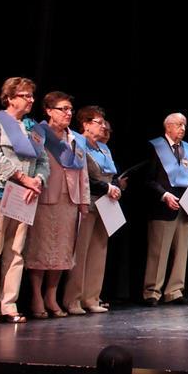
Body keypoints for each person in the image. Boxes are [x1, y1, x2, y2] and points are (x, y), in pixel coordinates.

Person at [0, 76, 47, 324]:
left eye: (31, 95)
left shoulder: (33, 128)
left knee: (16, 251)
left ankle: (9, 305)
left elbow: (43, 161)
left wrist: (38, 180)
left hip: (25, 195)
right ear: (9, 97)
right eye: (25, 95)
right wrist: (21, 178)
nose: (31, 100)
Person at [25, 91, 90, 318]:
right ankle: (36, 296)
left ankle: (51, 296)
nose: (68, 113)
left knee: (63, 251)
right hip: (45, 196)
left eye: (70, 109)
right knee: (40, 249)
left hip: (69, 200)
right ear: (49, 111)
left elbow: (82, 172)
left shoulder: (76, 139)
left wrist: (84, 200)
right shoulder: (39, 133)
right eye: (63, 109)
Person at [63, 106, 122, 314]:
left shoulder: (104, 147)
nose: (103, 126)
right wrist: (106, 187)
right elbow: (83, 174)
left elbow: (112, 173)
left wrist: (116, 186)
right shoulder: (78, 142)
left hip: (106, 203)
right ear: (86, 124)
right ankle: (73, 299)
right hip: (88, 201)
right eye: (98, 122)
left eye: (103, 122)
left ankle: (91, 298)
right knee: (81, 252)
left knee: (99, 250)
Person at [142, 112, 188, 306]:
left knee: (181, 252)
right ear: (168, 127)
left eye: (184, 125)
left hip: (185, 207)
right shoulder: (154, 146)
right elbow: (147, 179)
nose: (183, 128)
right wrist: (164, 194)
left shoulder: (187, 149)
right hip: (162, 205)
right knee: (158, 252)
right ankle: (152, 292)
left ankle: (174, 291)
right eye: (178, 124)